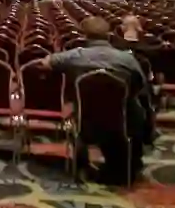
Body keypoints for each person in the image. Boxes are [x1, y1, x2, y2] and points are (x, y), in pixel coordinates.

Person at [43, 16, 153, 185]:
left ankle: (83, 162)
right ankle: (132, 161)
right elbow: (141, 86)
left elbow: (45, 62)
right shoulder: (126, 59)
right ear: (109, 35)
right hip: (121, 121)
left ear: (85, 36)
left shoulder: (75, 56)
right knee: (138, 108)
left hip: (86, 120)